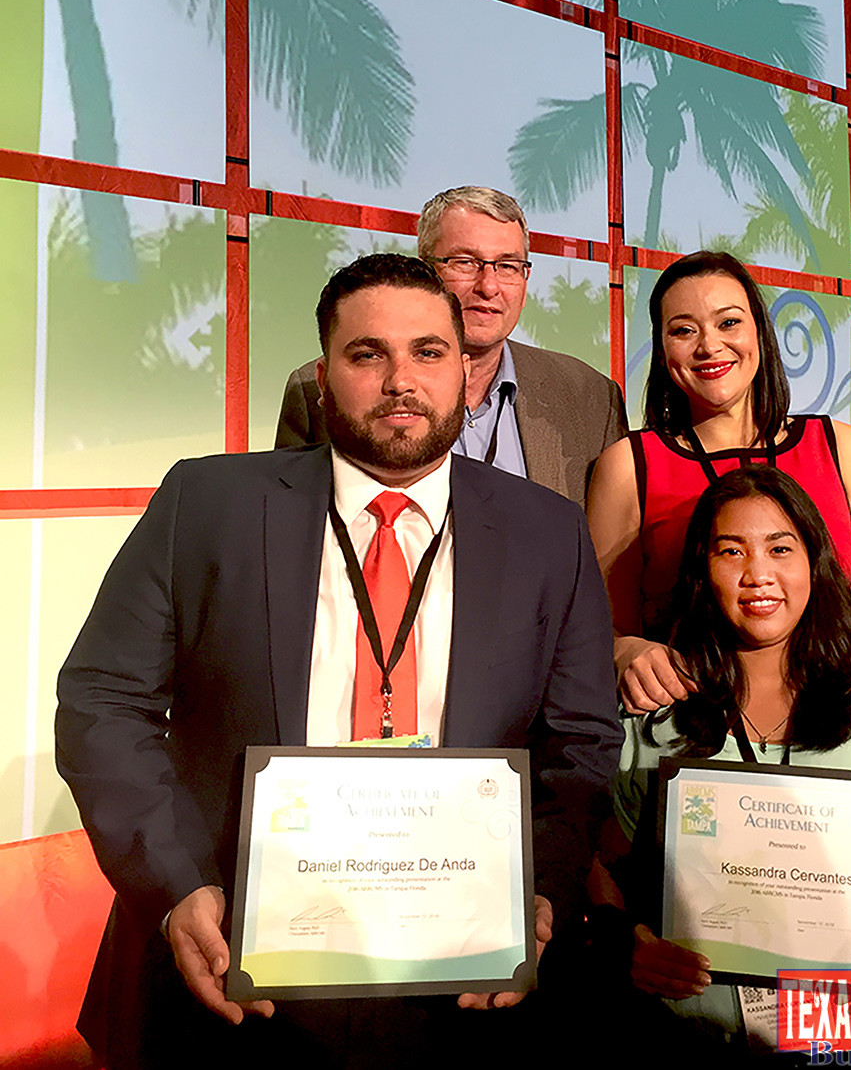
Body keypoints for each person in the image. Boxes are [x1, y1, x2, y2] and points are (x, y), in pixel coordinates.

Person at [56, 253, 623, 1070]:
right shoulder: (207, 502)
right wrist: (176, 887)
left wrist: (545, 891)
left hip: (459, 981)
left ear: (466, 372)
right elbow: (103, 700)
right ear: (325, 377)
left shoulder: (548, 532)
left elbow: (581, 740)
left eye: (429, 352)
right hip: (229, 962)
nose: (402, 379)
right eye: (368, 354)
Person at [592, 466, 851, 1048]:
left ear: (815, 563)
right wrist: (625, 939)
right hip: (700, 1043)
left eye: (781, 548)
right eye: (732, 551)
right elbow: (600, 863)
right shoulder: (657, 720)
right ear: (702, 569)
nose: (759, 574)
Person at [586, 251, 851, 714]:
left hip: (834, 720)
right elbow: (595, 629)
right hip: (690, 735)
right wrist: (624, 653)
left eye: (728, 323)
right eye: (684, 330)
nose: (709, 346)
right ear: (662, 348)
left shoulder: (841, 448)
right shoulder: (628, 465)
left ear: (760, 334)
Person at [276, 187, 627, 503]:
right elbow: (293, 534)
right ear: (426, 269)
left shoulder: (591, 397)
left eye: (507, 266)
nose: (488, 286)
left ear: (525, 280)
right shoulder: (315, 391)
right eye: (465, 263)